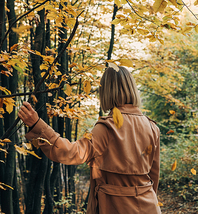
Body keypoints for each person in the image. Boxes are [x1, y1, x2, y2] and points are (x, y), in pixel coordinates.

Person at [18, 66, 161, 214]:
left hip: (115, 208)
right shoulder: (152, 127)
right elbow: (154, 177)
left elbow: (71, 153)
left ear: (106, 91)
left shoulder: (107, 128)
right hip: (149, 206)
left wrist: (37, 125)